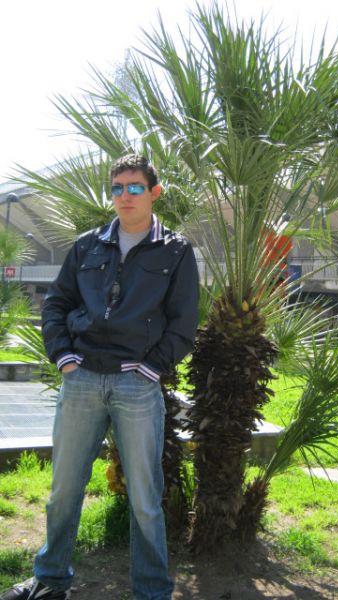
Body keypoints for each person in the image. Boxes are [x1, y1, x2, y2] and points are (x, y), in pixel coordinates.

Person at [1, 154, 199, 600]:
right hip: (83, 380)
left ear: (154, 193)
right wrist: (64, 357)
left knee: (145, 499)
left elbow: (184, 322)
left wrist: (151, 368)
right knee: (63, 489)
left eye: (135, 187)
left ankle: (151, 590)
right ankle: (50, 580)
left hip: (137, 385)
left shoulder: (176, 251)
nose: (125, 196)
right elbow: (56, 304)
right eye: (117, 188)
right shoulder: (87, 246)